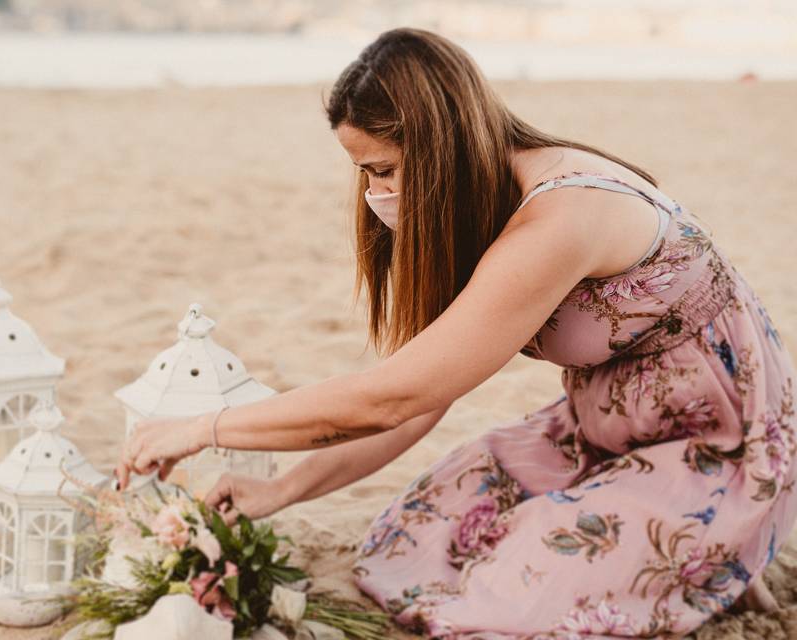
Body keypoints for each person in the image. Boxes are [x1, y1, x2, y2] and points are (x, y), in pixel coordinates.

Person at [114, 27, 796, 639]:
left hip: (718, 443)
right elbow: (416, 401)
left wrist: (207, 427)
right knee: (408, 542)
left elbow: (390, 397)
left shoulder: (561, 218)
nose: (376, 193)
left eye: (384, 170)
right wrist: (283, 489)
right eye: (364, 173)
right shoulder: (483, 205)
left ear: (439, 147)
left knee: (509, 603)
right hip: (601, 431)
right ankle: (696, 566)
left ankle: (723, 551)